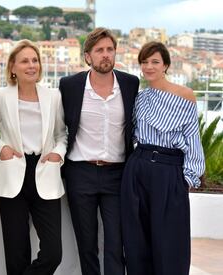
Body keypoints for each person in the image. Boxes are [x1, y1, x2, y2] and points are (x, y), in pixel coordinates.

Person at [59, 27, 139, 275]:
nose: (105, 55)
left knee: (116, 243)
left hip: (117, 174)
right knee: (86, 244)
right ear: (87, 57)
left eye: (110, 50)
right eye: (99, 50)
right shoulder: (70, 85)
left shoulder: (130, 84)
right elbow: (58, 126)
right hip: (79, 173)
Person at [121, 41, 205, 275]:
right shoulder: (140, 98)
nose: (149, 67)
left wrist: (188, 178)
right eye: (144, 62)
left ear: (165, 65)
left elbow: (192, 139)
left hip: (169, 171)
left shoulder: (185, 96)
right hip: (138, 166)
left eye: (155, 62)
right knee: (137, 239)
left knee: (170, 239)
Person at [0, 39, 67, 275]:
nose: (31, 65)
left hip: (45, 172)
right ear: (12, 67)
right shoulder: (1, 96)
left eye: (35, 60)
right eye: (24, 61)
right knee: (16, 255)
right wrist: (1, 148)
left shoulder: (54, 96)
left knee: (53, 253)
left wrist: (57, 154)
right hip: (12, 176)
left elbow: (62, 134)